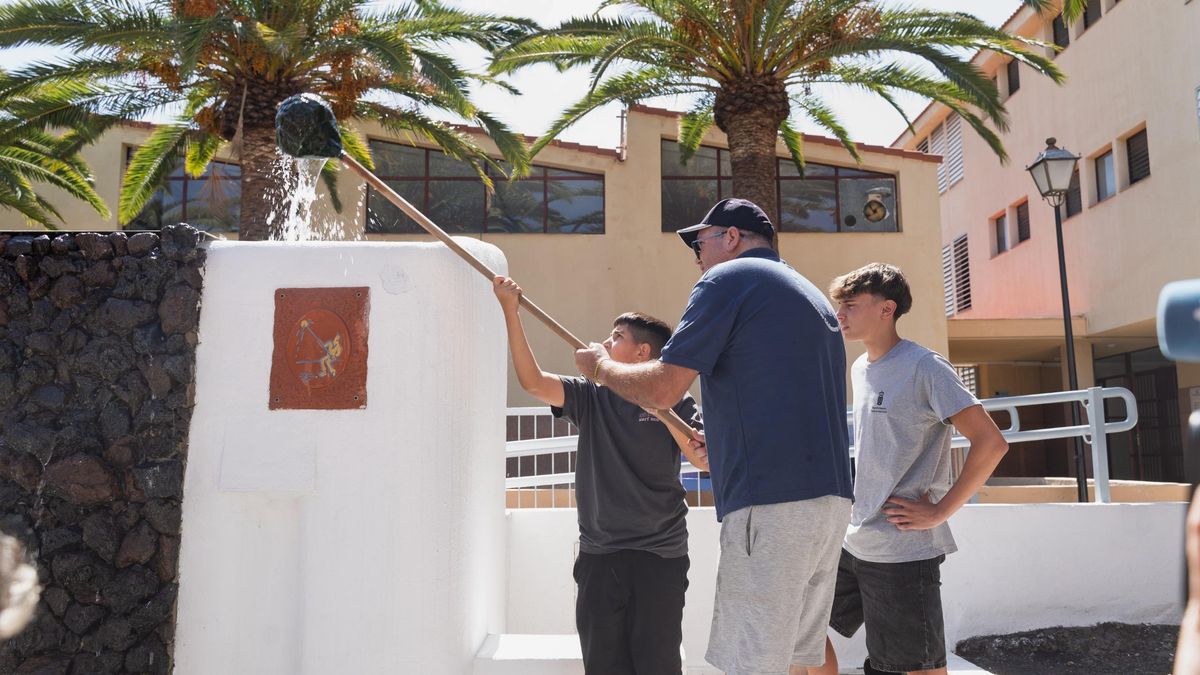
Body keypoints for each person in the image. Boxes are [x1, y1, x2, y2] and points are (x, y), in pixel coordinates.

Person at [573, 198, 854, 675]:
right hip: (827, 501)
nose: (696, 256)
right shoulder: (808, 295)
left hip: (770, 501)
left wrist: (602, 369)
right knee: (799, 658)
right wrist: (723, 446)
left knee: (754, 661)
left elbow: (663, 388)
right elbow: (780, 396)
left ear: (731, 238)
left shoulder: (728, 279)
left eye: (698, 242)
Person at [493, 275, 703, 674]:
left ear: (642, 352)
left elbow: (700, 457)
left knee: (658, 666)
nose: (605, 342)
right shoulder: (590, 396)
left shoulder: (675, 400)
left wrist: (655, 399)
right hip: (599, 555)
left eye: (617, 336)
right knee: (604, 666)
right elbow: (533, 383)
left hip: (660, 556)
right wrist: (510, 311)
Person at [809, 263, 1008, 675]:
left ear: (887, 309)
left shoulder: (925, 366)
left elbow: (991, 442)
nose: (839, 314)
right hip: (855, 540)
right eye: (838, 306)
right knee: (799, 628)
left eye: (850, 305)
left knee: (913, 667)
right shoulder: (860, 368)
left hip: (902, 549)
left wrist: (940, 511)